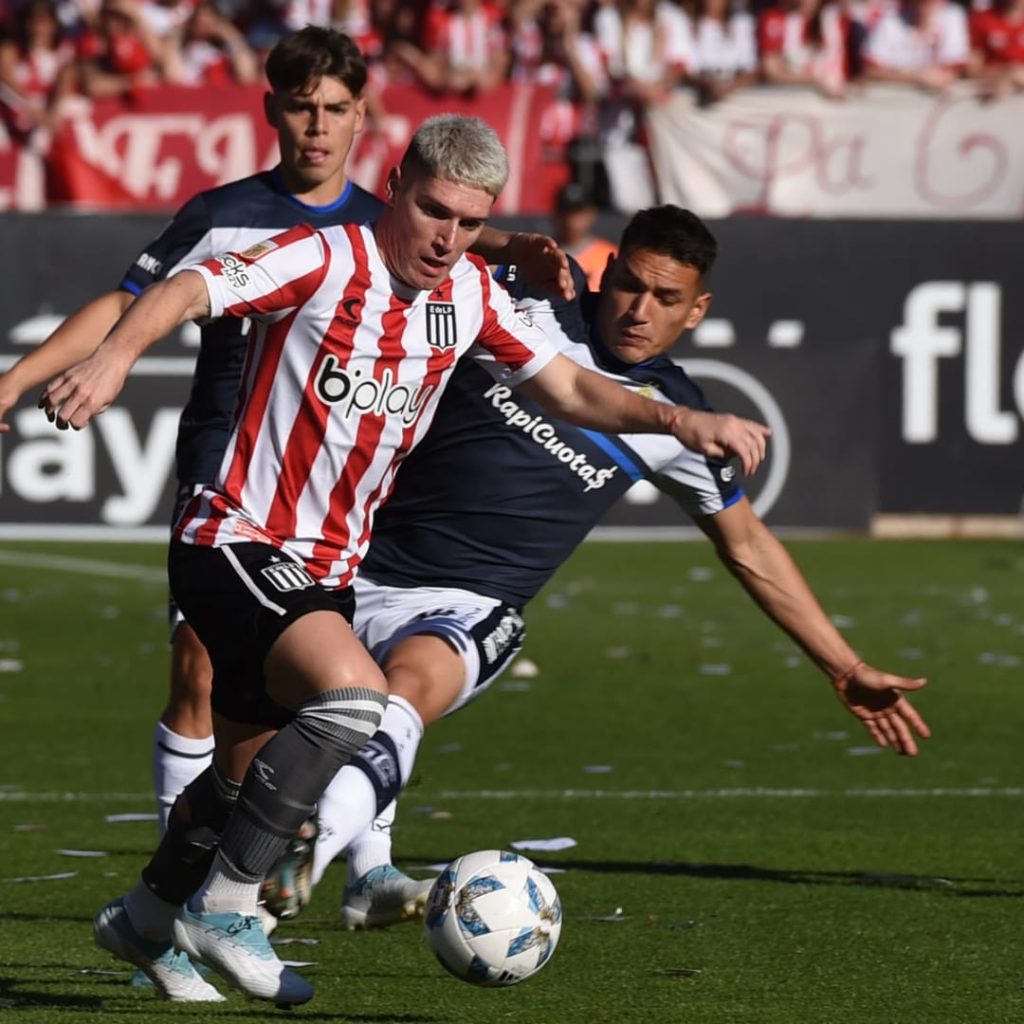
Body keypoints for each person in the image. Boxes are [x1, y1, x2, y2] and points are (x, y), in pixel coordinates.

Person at [40, 120, 772, 1007]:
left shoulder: (469, 296)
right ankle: (228, 907)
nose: (447, 238)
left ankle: (147, 920)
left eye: (469, 223)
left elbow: (575, 389)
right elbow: (191, 287)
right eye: (433, 211)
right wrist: (115, 357)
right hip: (234, 536)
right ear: (396, 186)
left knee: (237, 780)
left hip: (328, 570)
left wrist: (680, 420)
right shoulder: (322, 255)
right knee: (353, 700)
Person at [278, 205, 931, 932]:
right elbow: (413, 224)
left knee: (411, 686)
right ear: (607, 267)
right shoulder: (519, 305)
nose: (639, 311)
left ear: (698, 309)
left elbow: (746, 544)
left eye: (666, 298)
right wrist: (507, 240)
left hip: (467, 604)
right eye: (629, 285)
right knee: (225, 705)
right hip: (346, 562)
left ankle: (303, 851)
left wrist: (843, 665)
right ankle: (345, 879)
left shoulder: (678, 415)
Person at [0, 25, 572, 841]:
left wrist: (519, 247)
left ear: (362, 120)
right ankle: (189, 857)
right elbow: (130, 303)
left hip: (340, 481)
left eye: (336, 109)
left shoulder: (393, 222)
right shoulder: (227, 214)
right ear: (273, 110)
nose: (317, 126)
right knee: (201, 663)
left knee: (334, 685)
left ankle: (354, 864)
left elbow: (463, 239)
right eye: (302, 107)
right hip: (228, 466)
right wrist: (19, 378)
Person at [551, 180, 617, 293]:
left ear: (591, 213)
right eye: (566, 211)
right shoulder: (543, 253)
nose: (572, 220)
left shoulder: (609, 254)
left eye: (578, 212)